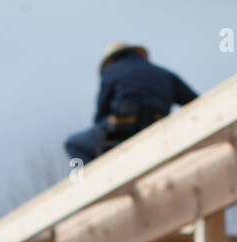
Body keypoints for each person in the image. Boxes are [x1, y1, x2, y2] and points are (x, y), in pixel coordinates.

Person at [64, 42, 197, 165]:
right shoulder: (165, 73)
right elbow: (194, 102)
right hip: (159, 125)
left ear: (111, 60)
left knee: (73, 144)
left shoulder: (111, 72)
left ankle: (92, 184)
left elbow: (101, 113)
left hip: (123, 127)